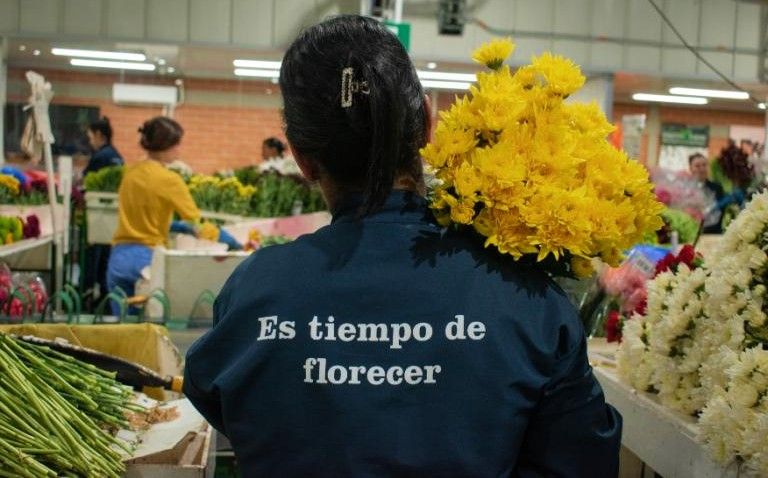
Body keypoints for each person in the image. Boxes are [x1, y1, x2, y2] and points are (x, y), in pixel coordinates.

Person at [184, 15, 621, 477]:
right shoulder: (528, 302)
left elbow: (215, 394)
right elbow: (584, 458)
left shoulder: (254, 291)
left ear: (301, 158)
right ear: (428, 124)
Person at [107, 117, 200, 315]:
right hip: (147, 261)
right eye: (177, 144)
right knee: (151, 326)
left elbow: (140, 215)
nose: (179, 149)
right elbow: (197, 221)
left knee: (121, 326)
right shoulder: (170, 179)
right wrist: (227, 239)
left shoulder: (130, 173)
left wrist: (173, 226)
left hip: (119, 259)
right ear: (167, 145)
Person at [83, 117, 124, 308]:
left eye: (90, 137)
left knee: (94, 260)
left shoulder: (100, 156)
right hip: (112, 221)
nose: (90, 141)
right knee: (106, 260)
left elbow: (86, 182)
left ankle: (90, 298)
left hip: (97, 218)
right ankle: (106, 300)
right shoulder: (116, 155)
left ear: (99, 134)